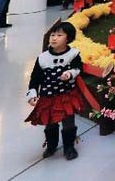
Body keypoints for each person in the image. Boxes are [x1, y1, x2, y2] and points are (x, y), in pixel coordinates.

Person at [26, 22, 84, 160]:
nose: (54, 38)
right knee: (50, 122)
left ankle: (69, 146)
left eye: (59, 35)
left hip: (66, 95)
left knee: (68, 122)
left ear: (68, 38)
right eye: (52, 35)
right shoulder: (43, 58)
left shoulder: (73, 54)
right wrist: (33, 93)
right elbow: (35, 78)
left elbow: (78, 67)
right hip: (48, 97)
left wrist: (70, 73)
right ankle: (51, 145)